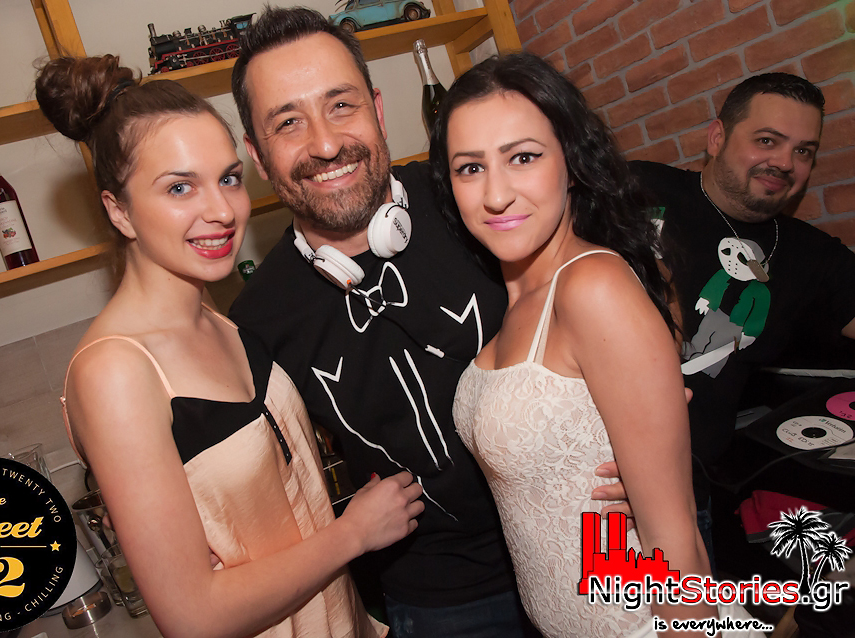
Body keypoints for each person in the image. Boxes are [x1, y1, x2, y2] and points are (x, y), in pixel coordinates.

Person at [229, 7, 629, 637]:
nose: (326, 144)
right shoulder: (255, 319)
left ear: (378, 111)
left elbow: (612, 261)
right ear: (257, 154)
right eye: (288, 123)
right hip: (444, 600)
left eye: (341, 105)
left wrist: (649, 394)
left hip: (594, 541)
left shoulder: (474, 196)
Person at [37, 54, 424, 638]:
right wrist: (352, 534)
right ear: (119, 211)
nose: (221, 211)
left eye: (228, 178)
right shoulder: (115, 372)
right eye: (179, 187)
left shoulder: (223, 322)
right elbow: (192, 617)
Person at [430, 52, 749, 637]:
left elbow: (674, 536)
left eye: (523, 157)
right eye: (470, 168)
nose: (495, 194)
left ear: (572, 164)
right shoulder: (517, 297)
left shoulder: (592, 285)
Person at [630, 73, 855, 561]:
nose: (785, 162)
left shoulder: (811, 255)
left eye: (803, 151)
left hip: (690, 501)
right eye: (767, 141)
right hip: (584, 476)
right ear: (717, 138)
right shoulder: (638, 189)